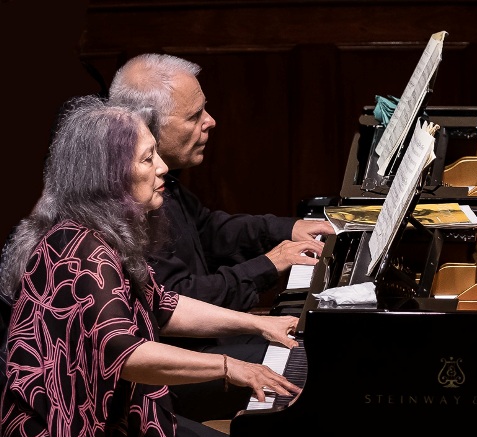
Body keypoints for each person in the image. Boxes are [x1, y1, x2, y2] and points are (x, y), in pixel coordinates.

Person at [0, 95, 301, 437]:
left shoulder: (102, 233)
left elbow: (162, 304)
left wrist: (258, 325)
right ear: (108, 175)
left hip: (120, 420)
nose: (161, 168)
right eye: (147, 159)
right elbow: (124, 355)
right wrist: (230, 367)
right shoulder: (82, 250)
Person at [107, 52, 335, 314]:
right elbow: (178, 300)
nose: (210, 121)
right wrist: (269, 264)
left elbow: (206, 229)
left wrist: (287, 229)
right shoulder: (128, 201)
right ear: (148, 125)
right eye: (194, 117)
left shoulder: (164, 182)